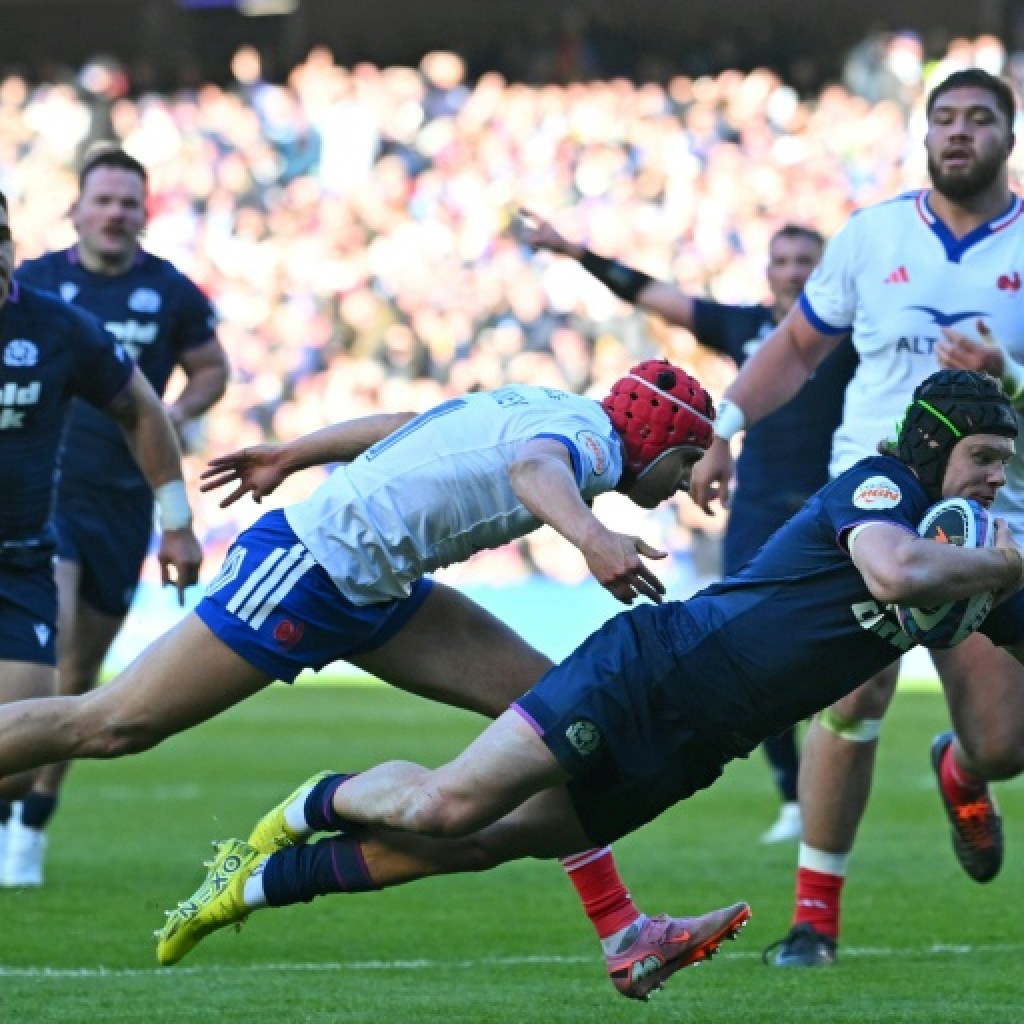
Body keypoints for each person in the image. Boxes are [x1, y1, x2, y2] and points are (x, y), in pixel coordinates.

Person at [154, 369, 1024, 999]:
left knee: (487, 842)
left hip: (696, 744)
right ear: (934, 445)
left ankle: (254, 884)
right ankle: (312, 804)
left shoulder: (973, 564)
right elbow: (894, 572)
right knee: (444, 809)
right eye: (983, 455)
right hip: (651, 672)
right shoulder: (880, 489)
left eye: (1006, 464)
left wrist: (996, 573)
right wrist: (1006, 563)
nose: (994, 477)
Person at [0, 359, 734, 1000]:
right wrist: (593, 537)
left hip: (376, 590)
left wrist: (292, 452)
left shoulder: (556, 406)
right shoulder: (593, 447)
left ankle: (624, 934)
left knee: (554, 722)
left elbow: (416, 425)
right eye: (688, 462)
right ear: (661, 441)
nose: (682, 484)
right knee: (110, 723)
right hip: (308, 573)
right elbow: (534, 471)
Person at [689, 68, 1024, 966]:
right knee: (853, 693)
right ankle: (814, 923)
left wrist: (1011, 373)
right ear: (925, 136)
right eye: (944, 119)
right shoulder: (872, 236)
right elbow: (797, 345)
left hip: (996, 511)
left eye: (979, 120)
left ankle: (964, 767)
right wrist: (723, 427)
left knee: (1005, 744)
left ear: (1008, 136)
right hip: (875, 494)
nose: (959, 133)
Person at [520, 213, 859, 843]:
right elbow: (657, 296)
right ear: (767, 271)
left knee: (842, 655)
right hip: (758, 506)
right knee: (760, 650)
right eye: (781, 261)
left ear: (825, 272)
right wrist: (578, 253)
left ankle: (830, 782)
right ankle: (792, 793)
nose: (791, 272)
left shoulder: (856, 334)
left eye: (804, 262)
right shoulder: (746, 326)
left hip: (833, 502)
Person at [0, 146, 230, 888]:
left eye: (129, 202)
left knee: (65, 691)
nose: (115, 213)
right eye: (103, 199)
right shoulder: (41, 279)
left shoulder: (160, 294)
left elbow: (186, 382)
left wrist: (175, 502)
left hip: (123, 506)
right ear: (75, 209)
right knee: (59, 637)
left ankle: (28, 816)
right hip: (50, 511)